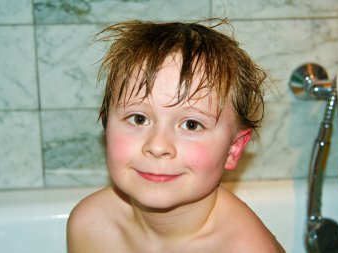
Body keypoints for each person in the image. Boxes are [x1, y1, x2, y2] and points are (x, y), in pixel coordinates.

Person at [67, 19, 285, 253]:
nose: (158, 146)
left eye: (191, 125)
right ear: (106, 126)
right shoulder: (90, 225)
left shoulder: (245, 249)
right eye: (138, 119)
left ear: (233, 148)